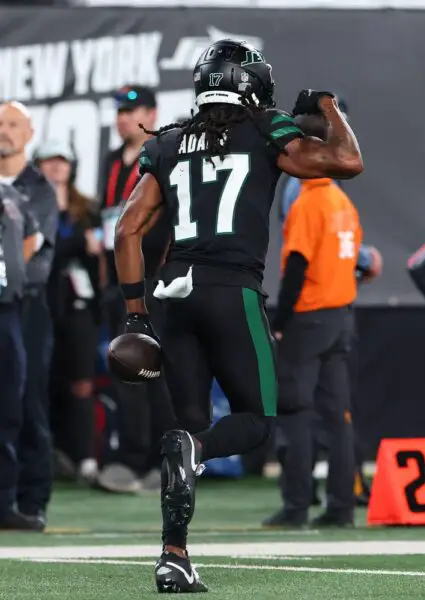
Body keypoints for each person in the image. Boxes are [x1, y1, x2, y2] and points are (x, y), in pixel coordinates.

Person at [113, 39, 363, 593]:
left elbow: (127, 229)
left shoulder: (170, 141)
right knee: (253, 421)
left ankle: (173, 554)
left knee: (189, 424)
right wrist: (327, 108)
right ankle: (197, 454)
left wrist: (135, 315)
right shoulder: (265, 126)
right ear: (251, 85)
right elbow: (347, 161)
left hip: (171, 292)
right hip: (230, 288)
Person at [265, 111, 363, 529]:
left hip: (308, 318)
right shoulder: (342, 201)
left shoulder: (308, 201)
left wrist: (280, 319)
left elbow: (298, 268)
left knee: (295, 413)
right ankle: (341, 507)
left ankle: (296, 506)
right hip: (341, 317)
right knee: (337, 416)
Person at [96, 85, 169, 494]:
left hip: (153, 281)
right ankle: (132, 456)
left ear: (152, 113)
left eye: (131, 110)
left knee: (155, 369)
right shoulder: (111, 160)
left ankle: (162, 459)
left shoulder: (163, 152)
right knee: (125, 371)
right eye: (120, 111)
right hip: (117, 281)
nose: (123, 117)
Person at [0, 101, 59, 529]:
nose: (4, 131)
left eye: (12, 124)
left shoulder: (38, 186)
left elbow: (34, 247)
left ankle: (31, 497)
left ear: (29, 132)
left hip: (27, 303)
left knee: (28, 401)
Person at [34, 140, 104, 484]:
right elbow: (48, 251)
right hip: (40, 303)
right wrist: (80, 245)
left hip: (78, 306)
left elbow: (97, 256)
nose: (56, 168)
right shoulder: (26, 206)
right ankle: (48, 454)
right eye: (49, 162)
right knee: (39, 381)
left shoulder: (86, 209)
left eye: (62, 162)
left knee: (81, 383)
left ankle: (86, 457)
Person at [0, 182, 41, 531]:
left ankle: (3, 503)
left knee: (8, 408)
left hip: (8, 308)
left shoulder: (11, 194)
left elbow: (31, 236)